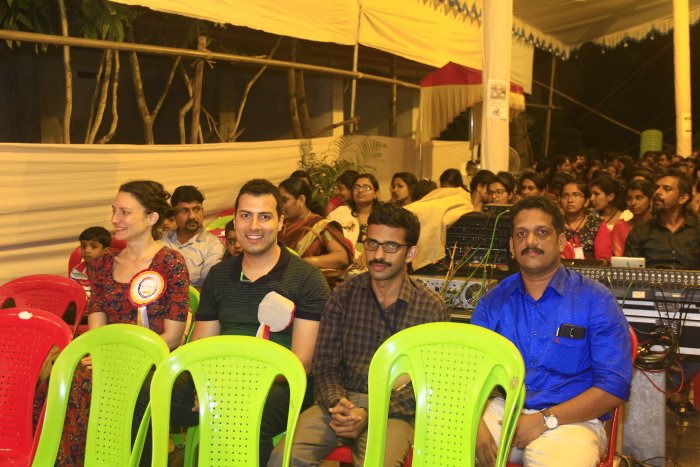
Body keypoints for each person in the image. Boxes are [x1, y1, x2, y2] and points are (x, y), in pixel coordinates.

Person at [163, 179, 330, 465]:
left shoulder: (307, 279)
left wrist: (236, 387)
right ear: (235, 220)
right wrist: (206, 382)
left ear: (281, 222)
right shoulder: (219, 275)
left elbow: (301, 363)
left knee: (247, 412)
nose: (254, 226)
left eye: (264, 216)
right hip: (220, 376)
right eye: (245, 215)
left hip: (282, 383)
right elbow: (203, 343)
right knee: (154, 394)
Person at [269, 203, 450, 467]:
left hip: (394, 410)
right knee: (283, 458)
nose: (378, 255)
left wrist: (369, 412)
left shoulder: (430, 307)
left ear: (410, 253)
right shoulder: (344, 295)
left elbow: (428, 385)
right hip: (340, 402)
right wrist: (338, 403)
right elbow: (325, 365)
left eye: (391, 246)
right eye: (372, 244)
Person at [472, 195, 632, 467]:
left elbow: (613, 385)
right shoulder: (492, 303)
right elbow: (470, 375)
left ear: (561, 242)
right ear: (511, 246)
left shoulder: (595, 299)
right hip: (504, 409)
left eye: (542, 232)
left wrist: (546, 419)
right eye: (521, 234)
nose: (530, 241)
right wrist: (475, 428)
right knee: (447, 442)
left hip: (572, 419)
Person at [58, 180, 189, 465]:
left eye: (125, 212)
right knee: (65, 378)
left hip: (152, 361)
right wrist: (102, 356)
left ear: (151, 218)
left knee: (121, 389)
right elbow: (97, 331)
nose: (115, 219)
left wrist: (124, 359)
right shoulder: (103, 264)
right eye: (114, 210)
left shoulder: (170, 263)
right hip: (109, 359)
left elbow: (173, 336)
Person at [278, 177, 353, 282]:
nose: (280, 206)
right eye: (278, 201)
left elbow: (341, 257)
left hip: (305, 283)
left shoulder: (320, 226)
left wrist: (304, 262)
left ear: (301, 200)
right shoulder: (279, 224)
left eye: (284, 200)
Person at [624, 169, 700, 269]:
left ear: (682, 198)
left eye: (667, 189)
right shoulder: (640, 232)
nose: (657, 192)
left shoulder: (697, 228)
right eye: (656, 188)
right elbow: (629, 271)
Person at [161, 185, 225, 289]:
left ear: (202, 211)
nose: (192, 216)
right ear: (174, 214)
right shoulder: (161, 240)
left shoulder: (213, 244)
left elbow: (209, 286)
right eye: (184, 210)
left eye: (196, 209)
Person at [560, 180, 612, 262]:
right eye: (565, 196)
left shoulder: (597, 224)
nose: (570, 200)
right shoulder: (554, 224)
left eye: (575, 195)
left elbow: (603, 258)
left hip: (591, 269)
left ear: (586, 201)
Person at [327, 173, 381, 252]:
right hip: (345, 257)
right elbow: (326, 236)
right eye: (356, 187)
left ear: (376, 193)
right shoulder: (340, 213)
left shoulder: (383, 216)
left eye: (366, 187)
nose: (360, 190)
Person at [610, 179, 654, 256]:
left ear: (650, 200)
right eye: (629, 199)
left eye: (639, 198)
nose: (633, 203)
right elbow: (619, 259)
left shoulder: (660, 226)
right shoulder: (620, 227)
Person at [69, 226, 111, 296]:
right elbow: (72, 295)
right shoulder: (76, 272)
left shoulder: (113, 271)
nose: (87, 251)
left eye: (93, 247)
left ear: (105, 251)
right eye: (83, 246)